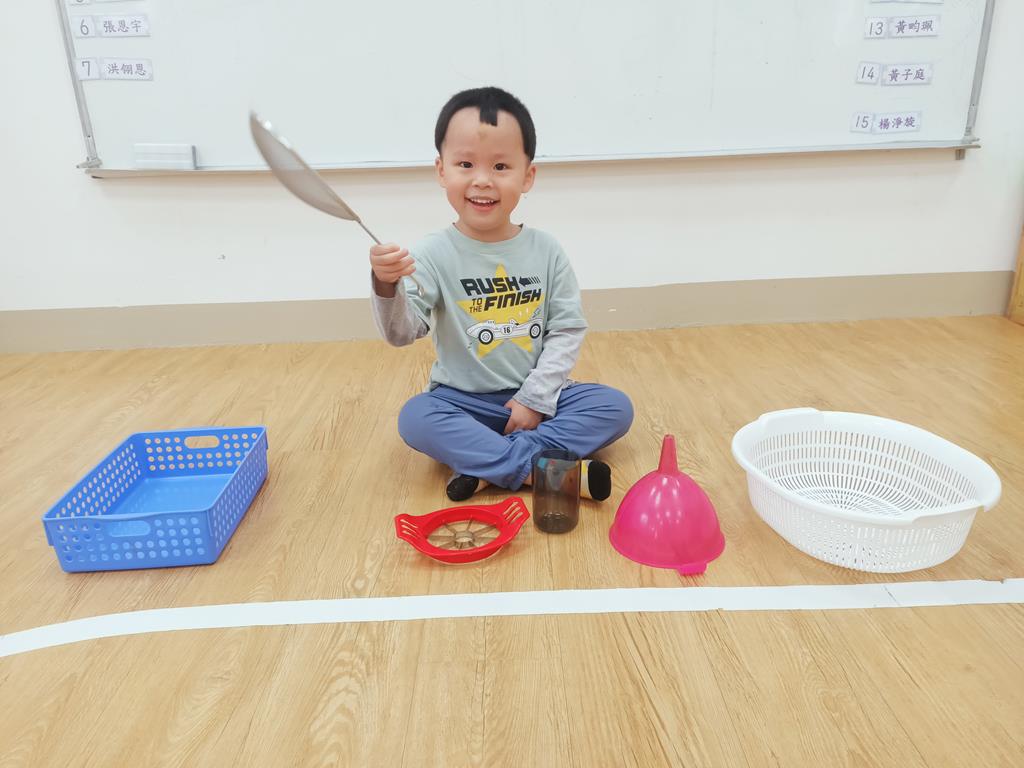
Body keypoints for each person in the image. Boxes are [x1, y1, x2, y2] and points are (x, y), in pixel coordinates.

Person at [369, 86, 633, 502]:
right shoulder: (431, 253)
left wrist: (534, 399)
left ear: (527, 176)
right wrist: (386, 284)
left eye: (501, 166)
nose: (482, 180)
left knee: (613, 407)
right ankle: (538, 471)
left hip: (541, 399)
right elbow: (402, 332)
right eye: (465, 164)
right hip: (463, 404)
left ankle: (487, 466)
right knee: (416, 417)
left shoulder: (547, 250)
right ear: (442, 171)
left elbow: (566, 330)